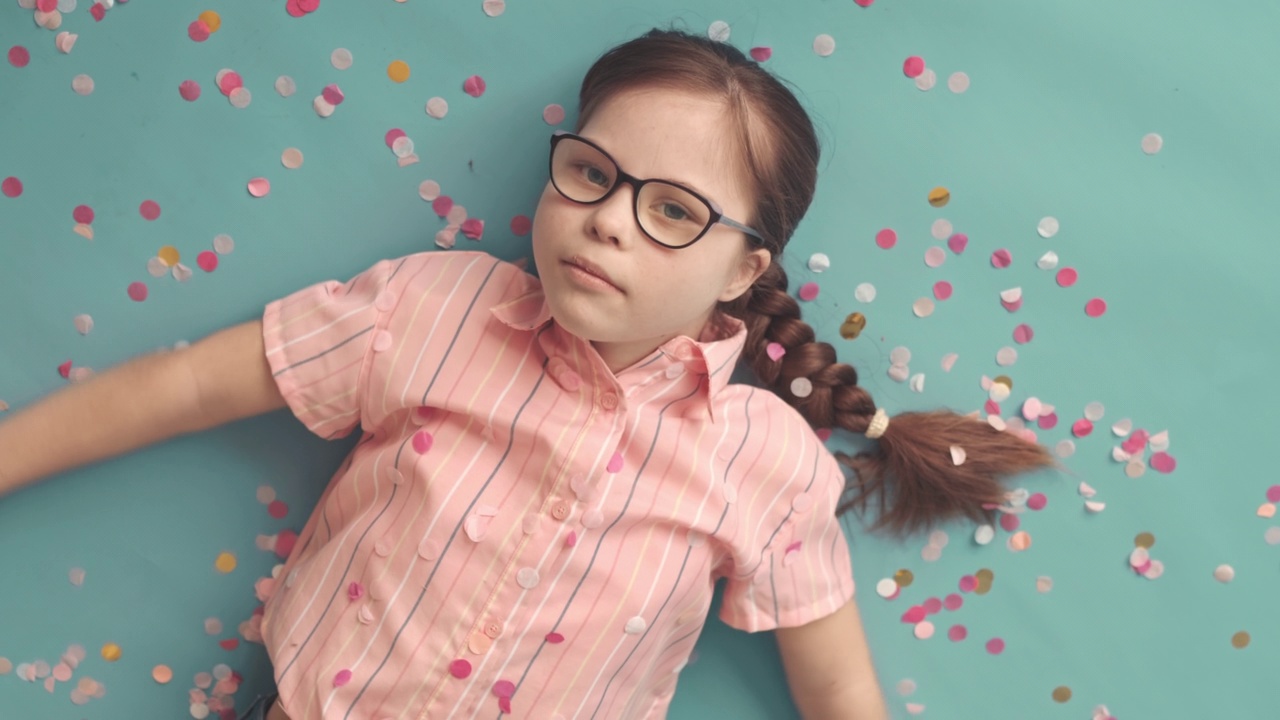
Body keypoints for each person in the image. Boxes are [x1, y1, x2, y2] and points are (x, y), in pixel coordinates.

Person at [0, 27, 1056, 720]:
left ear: (743, 267)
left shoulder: (764, 463)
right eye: (592, 173)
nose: (606, 219)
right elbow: (184, 388)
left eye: (673, 210)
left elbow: (840, 696)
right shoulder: (429, 311)